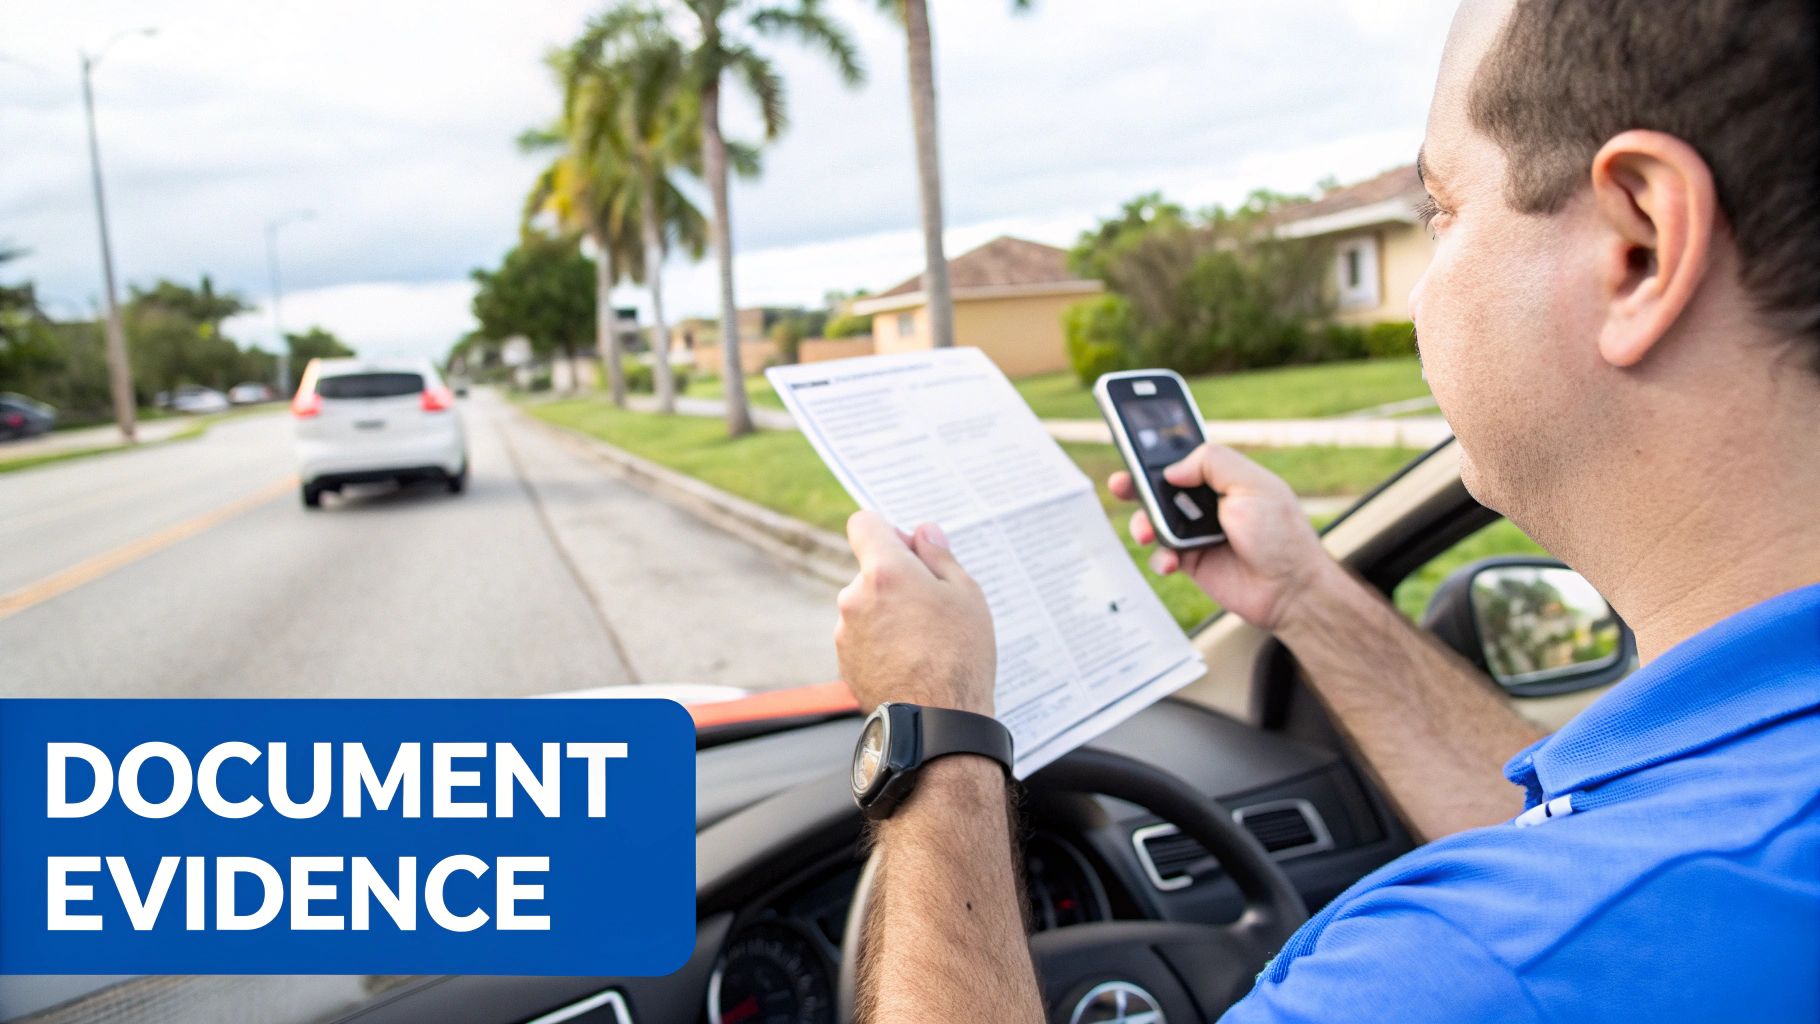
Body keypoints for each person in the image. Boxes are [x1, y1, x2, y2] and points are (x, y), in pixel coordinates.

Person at [832, 0, 1820, 1020]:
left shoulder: (1466, 970)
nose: (1420, 296)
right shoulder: (1715, 824)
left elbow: (1569, 918)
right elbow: (1582, 847)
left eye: (1441, 210)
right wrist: (1304, 593)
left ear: (1639, 246)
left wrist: (934, 720)